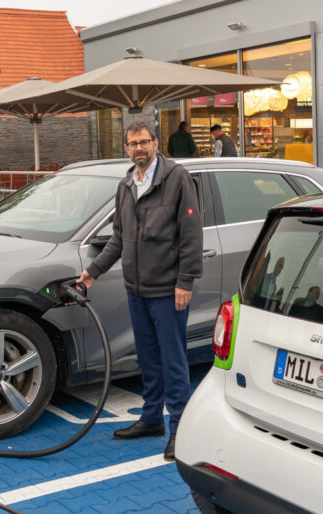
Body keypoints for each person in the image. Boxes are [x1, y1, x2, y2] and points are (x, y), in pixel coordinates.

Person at [75, 121, 202, 461]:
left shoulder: (176, 178)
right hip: (137, 288)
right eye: (133, 144)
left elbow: (191, 233)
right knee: (147, 357)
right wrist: (93, 272)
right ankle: (150, 419)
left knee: (173, 360)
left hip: (168, 288)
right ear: (126, 148)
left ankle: (179, 429)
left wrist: (185, 281)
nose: (139, 148)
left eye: (144, 142)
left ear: (156, 143)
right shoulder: (127, 184)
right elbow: (119, 237)